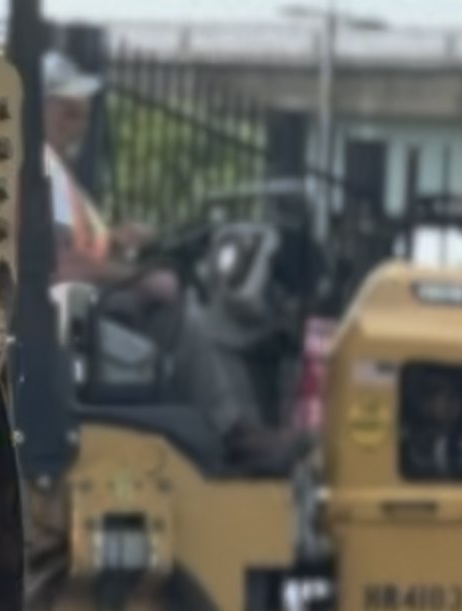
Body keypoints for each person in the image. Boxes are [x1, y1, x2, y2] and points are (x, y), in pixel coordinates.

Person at [43, 57, 309, 476]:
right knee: (182, 319)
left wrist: (118, 240)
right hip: (74, 316)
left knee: (178, 307)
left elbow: (79, 246)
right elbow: (61, 264)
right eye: (69, 106)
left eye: (82, 107)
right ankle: (235, 435)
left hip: (87, 304)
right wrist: (140, 279)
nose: (81, 117)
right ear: (44, 108)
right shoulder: (41, 169)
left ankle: (224, 436)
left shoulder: (55, 170)